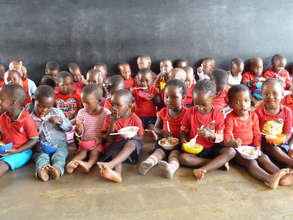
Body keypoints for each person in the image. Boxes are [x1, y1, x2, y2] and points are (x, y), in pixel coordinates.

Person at [225, 84, 290, 188]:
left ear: (250, 100)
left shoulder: (253, 116)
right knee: (251, 163)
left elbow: (256, 133)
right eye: (237, 102)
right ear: (230, 104)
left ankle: (282, 175)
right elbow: (226, 139)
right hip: (237, 150)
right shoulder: (230, 118)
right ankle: (269, 179)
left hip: (250, 147)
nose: (243, 105)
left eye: (246, 101)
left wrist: (257, 147)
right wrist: (233, 142)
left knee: (264, 157)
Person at [179, 79, 234, 180]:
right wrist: (184, 142)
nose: (199, 108)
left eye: (203, 104)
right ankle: (215, 163)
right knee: (183, 158)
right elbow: (183, 130)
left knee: (231, 152)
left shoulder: (218, 114)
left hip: (213, 148)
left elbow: (221, 137)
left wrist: (210, 135)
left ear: (213, 99)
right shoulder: (190, 112)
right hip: (195, 149)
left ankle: (203, 169)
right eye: (196, 103)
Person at [139, 80, 187, 178]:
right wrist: (161, 132)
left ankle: (171, 168)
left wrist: (183, 137)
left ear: (183, 98)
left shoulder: (187, 113)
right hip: (164, 142)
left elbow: (189, 130)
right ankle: (148, 163)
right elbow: (155, 128)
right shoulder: (163, 112)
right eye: (166, 97)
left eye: (174, 97)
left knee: (174, 155)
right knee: (158, 152)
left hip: (179, 144)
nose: (169, 100)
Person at [97, 89, 144, 183]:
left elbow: (141, 138)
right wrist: (112, 123)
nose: (114, 108)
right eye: (112, 104)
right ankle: (117, 174)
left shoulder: (135, 119)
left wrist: (132, 136)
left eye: (118, 105)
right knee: (115, 152)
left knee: (132, 144)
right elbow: (109, 139)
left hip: (130, 151)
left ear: (129, 106)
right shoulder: (109, 118)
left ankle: (110, 165)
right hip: (116, 146)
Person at [66, 84, 110, 174]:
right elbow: (79, 134)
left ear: (99, 101)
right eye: (83, 102)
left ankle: (89, 164)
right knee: (82, 152)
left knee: (95, 152)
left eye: (87, 103)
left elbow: (108, 132)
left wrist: (101, 139)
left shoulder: (106, 114)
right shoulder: (82, 112)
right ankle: (72, 164)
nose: (85, 105)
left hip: (98, 142)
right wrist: (79, 130)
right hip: (85, 142)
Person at [31, 85, 72, 181]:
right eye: (40, 106)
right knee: (41, 157)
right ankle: (42, 170)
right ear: (34, 102)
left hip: (59, 143)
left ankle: (57, 169)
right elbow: (30, 135)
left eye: (48, 107)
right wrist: (36, 144)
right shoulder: (30, 118)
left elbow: (69, 127)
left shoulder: (57, 112)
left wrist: (61, 121)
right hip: (41, 145)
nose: (44, 110)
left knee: (60, 155)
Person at [0, 84, 39, 177]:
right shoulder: (3, 117)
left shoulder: (26, 120)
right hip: (6, 149)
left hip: (22, 152)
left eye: (1, 99)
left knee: (3, 165)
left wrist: (17, 150)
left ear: (12, 102)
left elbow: (34, 139)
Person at [256, 79, 293, 173]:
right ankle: (290, 163)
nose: (270, 97)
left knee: (282, 155)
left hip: (281, 142)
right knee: (271, 147)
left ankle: (288, 169)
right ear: (262, 95)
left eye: (275, 93)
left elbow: (287, 132)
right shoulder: (258, 112)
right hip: (265, 144)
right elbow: (256, 133)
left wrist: (281, 140)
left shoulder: (287, 112)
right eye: (266, 94)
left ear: (282, 94)